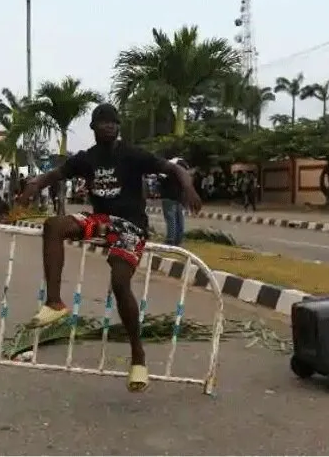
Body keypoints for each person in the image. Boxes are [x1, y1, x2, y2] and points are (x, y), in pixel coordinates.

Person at [18, 103, 202, 392]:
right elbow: (55, 175)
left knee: (119, 282)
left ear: (119, 127)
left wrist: (187, 188)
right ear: (93, 127)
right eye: (103, 122)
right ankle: (54, 303)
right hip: (102, 220)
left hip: (130, 225)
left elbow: (174, 168)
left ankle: (138, 357)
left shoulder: (132, 155)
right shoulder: (87, 158)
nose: (109, 126)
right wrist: (35, 184)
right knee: (54, 225)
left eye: (114, 122)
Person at [158, 157, 190, 246]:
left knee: (170, 218)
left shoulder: (169, 171)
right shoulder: (184, 173)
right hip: (179, 198)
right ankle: (179, 239)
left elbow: (160, 179)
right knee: (180, 218)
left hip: (169, 197)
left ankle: (170, 239)